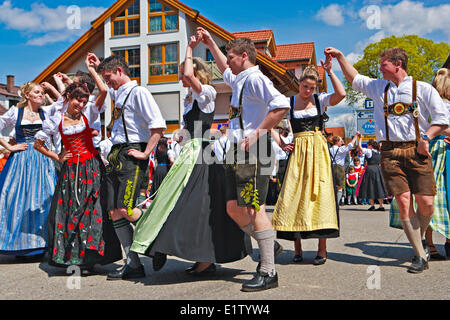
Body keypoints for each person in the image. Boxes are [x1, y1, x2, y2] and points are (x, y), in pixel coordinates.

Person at [131, 35, 252, 276]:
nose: (180, 75)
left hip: (203, 154)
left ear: (196, 72)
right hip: (192, 151)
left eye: (183, 71)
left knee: (198, 204)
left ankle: (202, 257)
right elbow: (191, 126)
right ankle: (169, 248)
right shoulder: (190, 99)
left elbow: (188, 77)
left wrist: (188, 47)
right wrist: (180, 135)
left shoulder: (206, 92)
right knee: (181, 203)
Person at [326, 46, 449, 273]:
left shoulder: (423, 89)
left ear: (397, 65)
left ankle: (419, 236)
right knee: (403, 201)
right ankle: (420, 255)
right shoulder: (378, 87)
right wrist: (341, 57)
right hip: (390, 152)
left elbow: (442, 119)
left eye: (383, 65)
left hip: (417, 150)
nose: (380, 69)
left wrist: (426, 137)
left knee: (427, 204)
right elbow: (355, 78)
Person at [197, 27, 291, 292]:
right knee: (233, 209)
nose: (227, 60)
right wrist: (209, 43)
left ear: (244, 56)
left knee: (253, 208)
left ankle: (268, 270)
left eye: (231, 55)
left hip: (254, 149)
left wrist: (257, 134)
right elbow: (221, 65)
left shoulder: (256, 78)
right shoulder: (239, 79)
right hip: (237, 150)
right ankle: (268, 243)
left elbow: (281, 105)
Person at [90, 53, 166, 280]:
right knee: (114, 212)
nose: (108, 81)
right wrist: (95, 68)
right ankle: (133, 264)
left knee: (126, 208)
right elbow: (104, 88)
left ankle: (158, 240)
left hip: (133, 153)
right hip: (116, 153)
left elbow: (158, 126)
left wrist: (145, 153)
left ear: (120, 72)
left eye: (109, 76)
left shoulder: (139, 92)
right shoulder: (119, 93)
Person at [34, 82, 122, 273]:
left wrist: (92, 69)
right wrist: (57, 156)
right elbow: (38, 144)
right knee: (73, 211)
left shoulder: (87, 114)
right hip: (72, 171)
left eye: (84, 101)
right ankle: (75, 258)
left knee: (94, 209)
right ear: (68, 98)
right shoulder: (55, 119)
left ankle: (92, 257)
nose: (81, 105)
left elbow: (104, 91)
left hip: (92, 167)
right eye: (78, 100)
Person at [271, 59, 346, 266]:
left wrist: (330, 72)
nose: (308, 91)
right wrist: (282, 143)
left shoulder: (320, 100)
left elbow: (341, 95)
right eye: (305, 86)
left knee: (321, 196)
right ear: (300, 83)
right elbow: (271, 123)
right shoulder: (290, 103)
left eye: (312, 87)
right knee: (295, 194)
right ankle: (297, 248)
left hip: (318, 152)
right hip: (299, 152)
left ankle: (322, 249)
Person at [390, 68, 450, 260]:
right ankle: (435, 243)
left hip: (433, 149)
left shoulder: (427, 99)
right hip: (437, 152)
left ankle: (429, 244)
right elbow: (440, 126)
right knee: (436, 196)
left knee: (432, 197)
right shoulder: (439, 103)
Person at [0, 82, 57, 259]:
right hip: (21, 160)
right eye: (38, 92)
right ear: (27, 95)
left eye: (42, 92)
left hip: (43, 159)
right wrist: (9, 147)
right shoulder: (15, 112)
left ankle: (42, 244)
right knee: (15, 199)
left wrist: (52, 90)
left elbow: (62, 103)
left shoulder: (46, 112)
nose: (41, 95)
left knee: (45, 199)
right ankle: (17, 243)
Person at [357, 138, 387, 211]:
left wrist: (360, 139)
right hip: (378, 169)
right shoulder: (378, 152)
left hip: (370, 170)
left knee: (370, 186)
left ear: (370, 145)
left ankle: (372, 205)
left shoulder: (369, 151)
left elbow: (360, 148)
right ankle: (381, 205)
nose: (367, 146)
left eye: (367, 145)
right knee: (378, 186)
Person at [329, 134, 358, 205]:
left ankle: (331, 202)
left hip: (331, 167)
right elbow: (350, 145)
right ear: (337, 142)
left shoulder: (329, 149)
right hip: (339, 168)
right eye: (341, 141)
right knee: (340, 187)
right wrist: (355, 136)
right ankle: (336, 203)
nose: (342, 142)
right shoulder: (340, 149)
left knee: (332, 186)